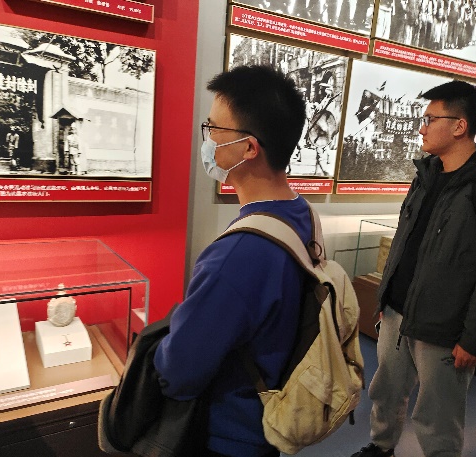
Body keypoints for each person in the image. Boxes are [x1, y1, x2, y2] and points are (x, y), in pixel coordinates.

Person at [351, 80, 476, 457]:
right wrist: (386, 298)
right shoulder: (427, 173)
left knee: (438, 414)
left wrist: (474, 338)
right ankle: (381, 447)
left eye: (430, 119)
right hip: (397, 314)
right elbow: (405, 240)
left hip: (445, 326)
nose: (421, 128)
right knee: (385, 391)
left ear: (459, 126)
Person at [153, 65, 308, 457]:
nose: (207, 139)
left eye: (213, 128)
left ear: (249, 148)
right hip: (270, 419)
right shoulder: (301, 213)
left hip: (228, 435)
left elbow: (179, 371)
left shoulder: (238, 253)